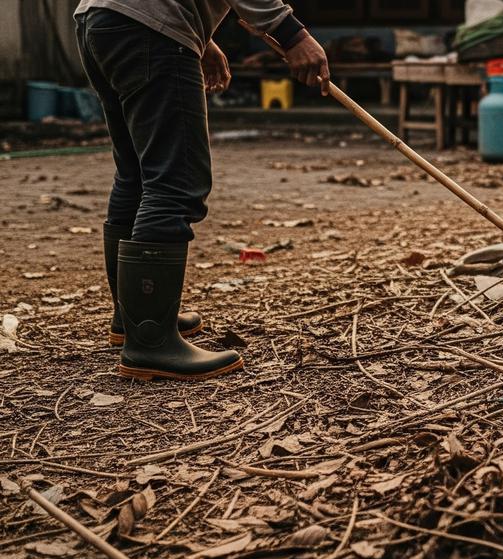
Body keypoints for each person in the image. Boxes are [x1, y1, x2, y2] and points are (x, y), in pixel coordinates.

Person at [73, 0, 330, 381]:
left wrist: (202, 39)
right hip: (149, 28)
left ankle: (134, 317)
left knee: (137, 175)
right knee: (175, 182)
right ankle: (150, 342)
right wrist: (292, 35)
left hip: (101, 18)